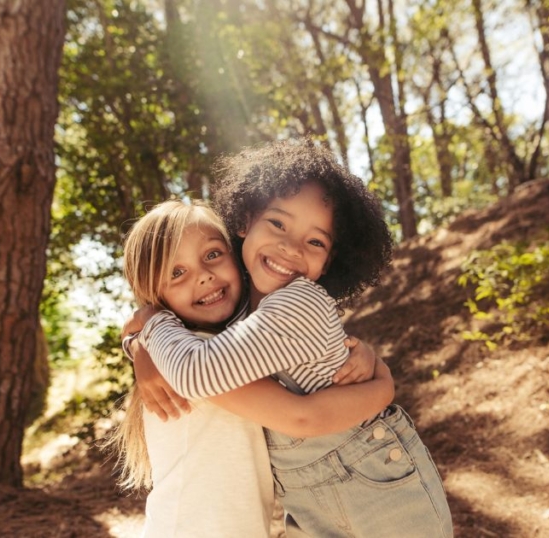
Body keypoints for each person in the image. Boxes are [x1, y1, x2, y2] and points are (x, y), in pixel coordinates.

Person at [127, 140, 454, 537]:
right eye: (278, 224)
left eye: (315, 241)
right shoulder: (237, 316)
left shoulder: (297, 302)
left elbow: (202, 372)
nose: (290, 246)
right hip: (312, 501)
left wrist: (150, 321)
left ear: (330, 260)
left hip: (380, 496)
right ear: (244, 222)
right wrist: (138, 336)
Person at [108, 199, 395, 538]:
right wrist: (384, 385)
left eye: (213, 254)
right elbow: (302, 416)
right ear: (154, 294)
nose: (203, 277)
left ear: (236, 253)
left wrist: (365, 355)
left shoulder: (225, 348)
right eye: (177, 272)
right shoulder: (196, 363)